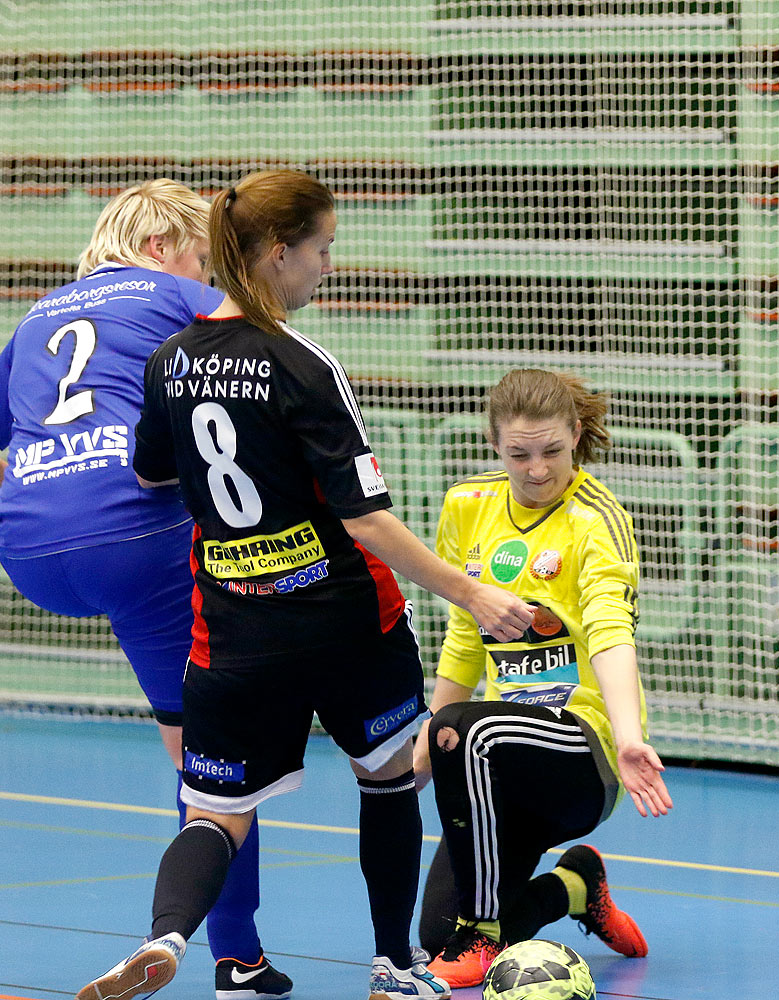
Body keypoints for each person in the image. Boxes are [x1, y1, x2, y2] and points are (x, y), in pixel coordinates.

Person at [75, 169, 534, 1000]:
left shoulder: (168, 362)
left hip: (233, 635)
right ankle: (395, 965)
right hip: (345, 625)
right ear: (279, 253)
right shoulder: (303, 363)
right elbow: (366, 520)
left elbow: (149, 475)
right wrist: (472, 595)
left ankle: (170, 941)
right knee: (389, 777)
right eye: (323, 250)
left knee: (217, 813)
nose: (328, 266)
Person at [0, 180, 292, 1000]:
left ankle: (221, 942)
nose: (209, 267)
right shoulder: (182, 294)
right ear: (168, 245)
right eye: (205, 253)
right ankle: (235, 958)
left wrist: (53, 511)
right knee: (212, 768)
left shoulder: (36, 318)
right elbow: (262, 372)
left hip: (27, 545)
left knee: (192, 743)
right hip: (142, 540)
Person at [412, 368, 675, 989]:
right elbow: (462, 635)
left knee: (461, 732)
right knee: (431, 937)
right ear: (494, 445)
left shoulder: (595, 518)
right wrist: (428, 743)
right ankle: (575, 885)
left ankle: (481, 933)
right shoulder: (467, 507)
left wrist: (630, 736)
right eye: (518, 454)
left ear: (576, 435)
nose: (536, 469)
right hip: (502, 760)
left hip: (582, 754)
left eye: (552, 451)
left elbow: (612, 631)